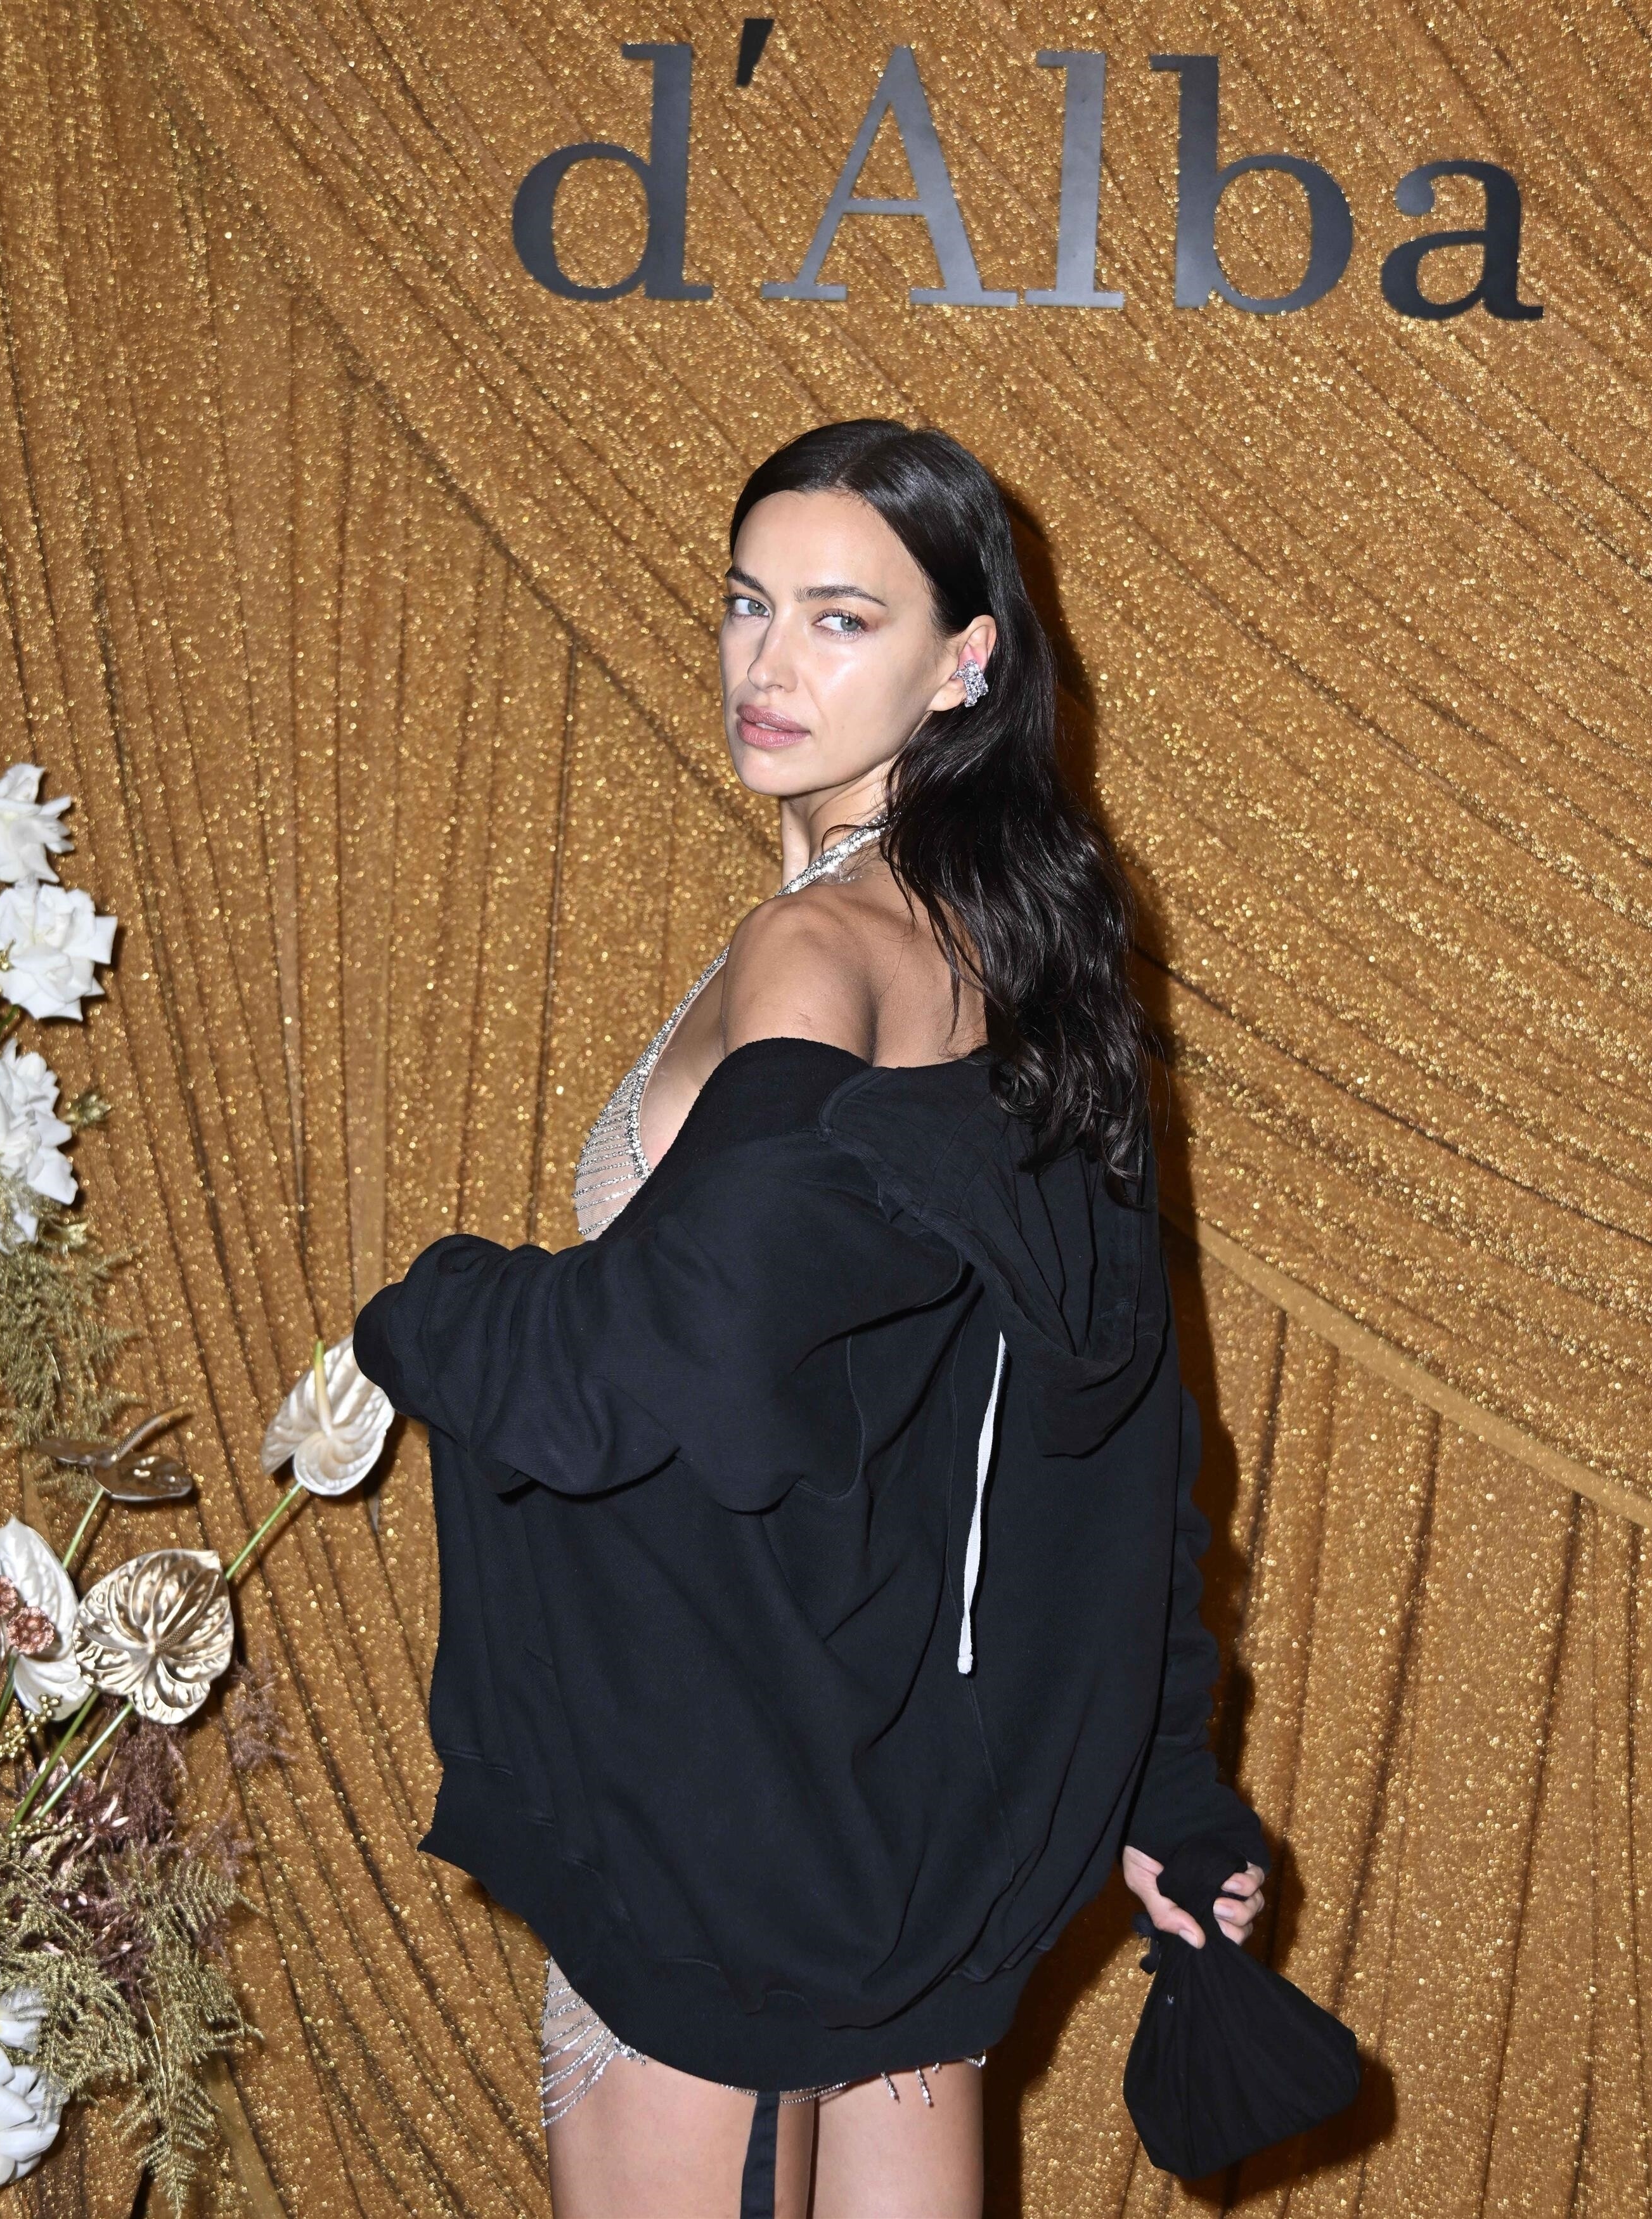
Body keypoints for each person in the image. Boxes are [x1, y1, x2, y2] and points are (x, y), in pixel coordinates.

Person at [352, 419, 1268, 2219]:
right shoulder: (1031, 954)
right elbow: (1122, 1425)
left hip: (722, 1812)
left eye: (842, 619)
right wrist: (1164, 1781)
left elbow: (669, 1364)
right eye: (746, 603)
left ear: (965, 659)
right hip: (915, 1836)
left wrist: (428, 1309)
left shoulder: (820, 950)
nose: (767, 665)